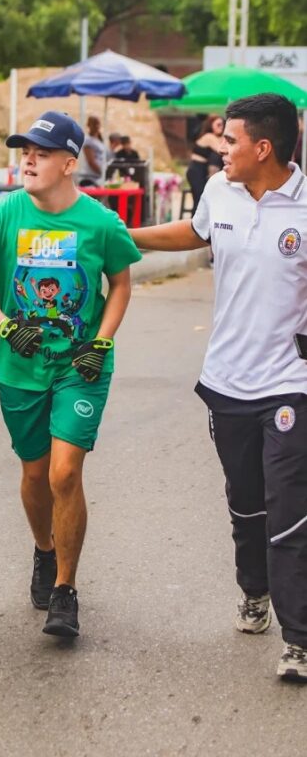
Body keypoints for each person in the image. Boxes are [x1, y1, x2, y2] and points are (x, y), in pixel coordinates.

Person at [131, 93, 307, 683]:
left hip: (290, 383)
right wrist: (128, 237)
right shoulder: (218, 191)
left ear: (263, 147)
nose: (218, 147)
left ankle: (300, 638)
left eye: (228, 140)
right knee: (246, 503)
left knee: (290, 512)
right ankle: (253, 593)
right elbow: (196, 233)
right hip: (227, 380)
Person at [0, 111, 141, 638]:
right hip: (19, 367)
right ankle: (44, 549)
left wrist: (102, 341)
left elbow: (121, 284)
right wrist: (5, 326)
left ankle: (65, 589)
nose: (28, 160)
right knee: (35, 474)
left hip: (81, 365)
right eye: (23, 151)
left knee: (65, 473)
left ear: (69, 162)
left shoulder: (101, 223)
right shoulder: (4, 213)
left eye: (40, 151)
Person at [186, 114, 224, 213]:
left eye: (222, 125)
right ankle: (194, 224)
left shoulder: (215, 138)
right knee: (199, 198)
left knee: (202, 198)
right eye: (218, 125)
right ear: (211, 125)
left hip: (201, 169)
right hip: (196, 169)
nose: (221, 127)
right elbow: (221, 149)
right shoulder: (209, 137)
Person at [76, 115, 105, 187]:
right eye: (94, 124)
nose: (96, 126)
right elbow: (91, 162)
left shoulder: (99, 139)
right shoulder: (88, 141)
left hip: (98, 178)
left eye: (98, 123)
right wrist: (102, 173)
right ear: (89, 125)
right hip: (89, 178)